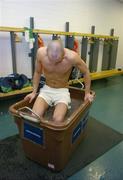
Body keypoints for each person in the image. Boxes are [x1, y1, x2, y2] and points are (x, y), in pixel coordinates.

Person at [25, 40, 94, 124]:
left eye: (57, 60)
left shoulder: (72, 57)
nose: (54, 63)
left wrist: (87, 93)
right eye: (51, 60)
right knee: (34, 116)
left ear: (63, 54)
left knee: (57, 120)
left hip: (62, 92)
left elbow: (86, 72)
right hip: (47, 89)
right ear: (47, 52)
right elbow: (37, 72)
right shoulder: (40, 53)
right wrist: (34, 91)